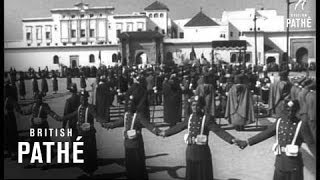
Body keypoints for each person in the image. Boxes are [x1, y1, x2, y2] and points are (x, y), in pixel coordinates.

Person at [159, 95, 240, 180]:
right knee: (191, 174)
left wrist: (232, 139)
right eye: (193, 105)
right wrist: (165, 133)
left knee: (203, 174)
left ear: (201, 106)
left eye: (197, 105)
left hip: (202, 152)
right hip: (190, 151)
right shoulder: (189, 118)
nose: (195, 107)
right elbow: (178, 127)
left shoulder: (207, 118)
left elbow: (219, 131)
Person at [236, 100, 315, 180]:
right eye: (288, 110)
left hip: (294, 165)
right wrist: (247, 142)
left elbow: (311, 143)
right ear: (284, 110)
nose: (290, 113)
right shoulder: (279, 122)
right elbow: (265, 134)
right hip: (280, 163)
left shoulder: (301, 125)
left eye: (293, 110)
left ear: (297, 111)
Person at [102, 94, 161, 180]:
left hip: (136, 144)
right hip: (128, 145)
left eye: (131, 105)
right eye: (128, 105)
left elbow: (149, 126)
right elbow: (116, 123)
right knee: (129, 164)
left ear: (135, 106)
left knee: (138, 164)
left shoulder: (139, 116)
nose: (129, 107)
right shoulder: (125, 116)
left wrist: (159, 132)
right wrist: (107, 125)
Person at [58, 90, 103, 178]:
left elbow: (96, 116)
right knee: (83, 153)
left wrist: (104, 123)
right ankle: (85, 171)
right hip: (81, 134)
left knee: (90, 153)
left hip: (89, 135)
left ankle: (91, 172)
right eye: (81, 99)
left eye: (84, 99)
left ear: (87, 99)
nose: (82, 100)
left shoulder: (90, 108)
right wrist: (61, 118)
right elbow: (71, 115)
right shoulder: (79, 108)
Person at [20, 92, 60, 170]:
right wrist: (20, 111)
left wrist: (57, 117)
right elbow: (26, 112)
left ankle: (46, 163)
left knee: (44, 145)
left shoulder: (45, 106)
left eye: (39, 98)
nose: (38, 100)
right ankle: (32, 162)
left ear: (41, 99)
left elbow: (50, 112)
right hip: (34, 128)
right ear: (34, 99)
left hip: (43, 127)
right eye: (36, 98)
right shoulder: (33, 106)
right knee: (33, 145)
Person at [4, 78, 23, 160]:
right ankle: (13, 152)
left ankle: (8, 151)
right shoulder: (11, 97)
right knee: (12, 133)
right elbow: (17, 107)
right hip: (10, 115)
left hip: (7, 115)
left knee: (7, 133)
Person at [62, 83, 81, 156]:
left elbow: (66, 114)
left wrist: (63, 125)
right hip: (81, 121)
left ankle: (75, 156)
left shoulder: (69, 101)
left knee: (73, 139)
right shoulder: (81, 99)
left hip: (72, 122)